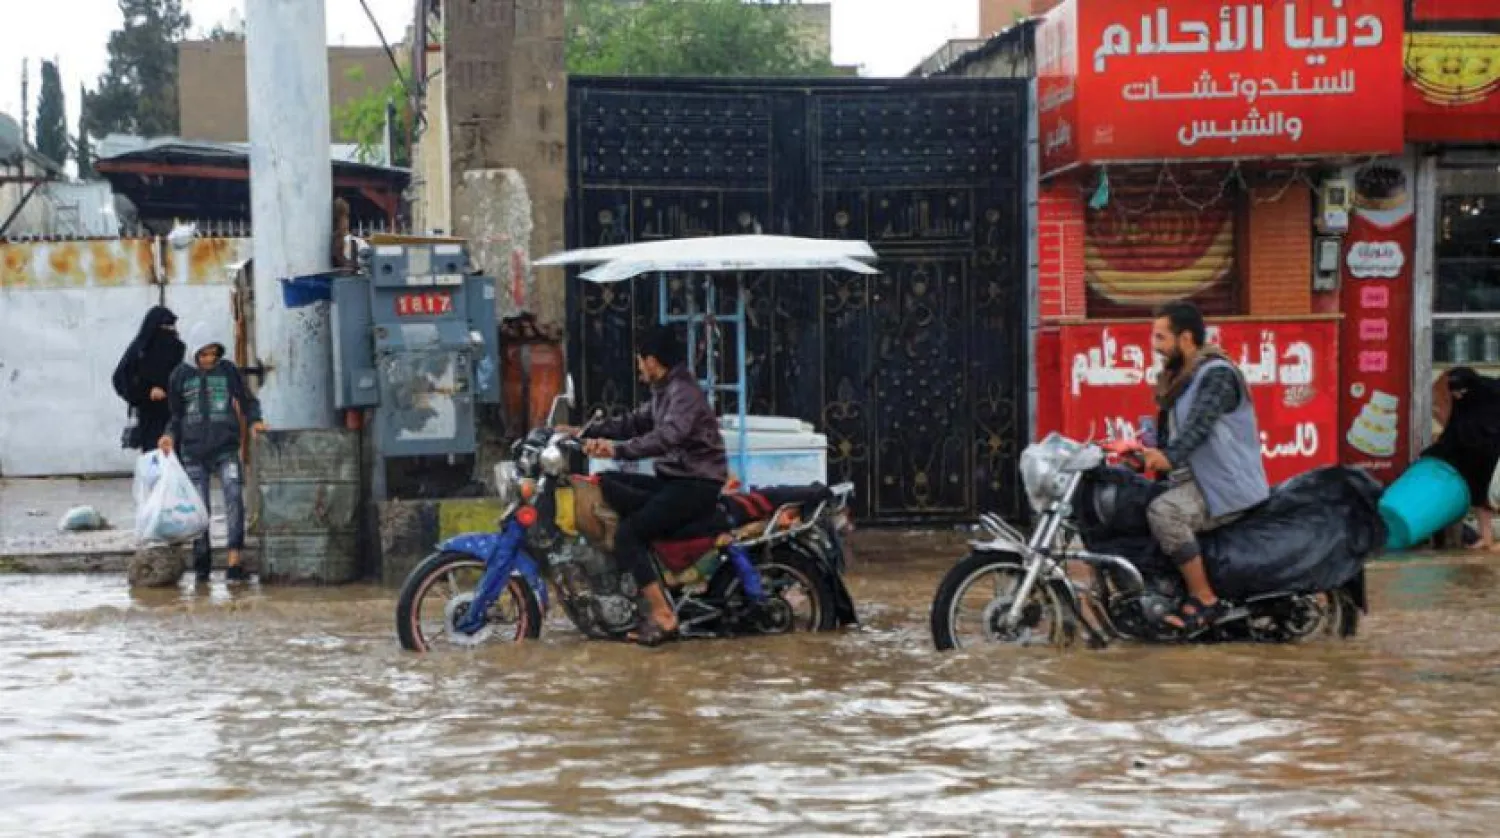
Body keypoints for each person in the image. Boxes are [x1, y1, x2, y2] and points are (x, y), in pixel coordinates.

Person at [571, 326, 728, 646]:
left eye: (640, 361)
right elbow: (634, 422)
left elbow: (667, 437)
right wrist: (584, 432)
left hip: (696, 485)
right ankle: (634, 584)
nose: (639, 368)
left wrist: (617, 450)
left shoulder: (683, 394)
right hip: (677, 480)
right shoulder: (665, 391)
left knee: (629, 533)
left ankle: (663, 615)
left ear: (653, 361)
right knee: (607, 483)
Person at [1140, 301, 1270, 635]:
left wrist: (1166, 457)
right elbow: (1171, 436)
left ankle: (1203, 598)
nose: (1155, 347)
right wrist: (1142, 453)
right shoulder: (1182, 379)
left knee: (1164, 512)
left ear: (1185, 339)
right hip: (1197, 480)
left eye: (1161, 338)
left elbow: (1198, 429)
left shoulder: (1217, 375)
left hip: (1227, 486)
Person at [158, 324, 267, 583]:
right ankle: (202, 564)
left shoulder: (228, 371)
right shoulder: (180, 376)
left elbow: (248, 400)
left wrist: (254, 421)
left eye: (213, 354)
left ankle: (234, 560)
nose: (209, 359)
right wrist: (169, 436)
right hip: (193, 453)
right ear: (194, 353)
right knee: (199, 510)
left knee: (233, 500)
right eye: (204, 354)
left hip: (226, 449)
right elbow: (176, 416)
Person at [1426, 366, 1500, 551]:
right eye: (1454, 392)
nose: (1458, 396)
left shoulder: (1491, 395)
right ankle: (1486, 537)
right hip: (1479, 453)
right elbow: (1454, 429)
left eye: (1462, 391)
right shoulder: (1465, 402)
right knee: (1479, 496)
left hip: (1495, 450)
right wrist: (1434, 452)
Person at [112, 306, 185, 452]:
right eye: (165, 327)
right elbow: (121, 379)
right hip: (149, 417)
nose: (170, 331)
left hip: (176, 414)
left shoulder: (178, 348)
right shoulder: (139, 350)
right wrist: (146, 392)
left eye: (171, 326)